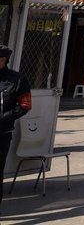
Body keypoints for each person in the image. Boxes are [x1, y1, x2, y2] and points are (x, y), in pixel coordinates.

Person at [0, 44, 32, 209]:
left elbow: (25, 105)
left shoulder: (18, 80)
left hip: (2, 133)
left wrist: (4, 118)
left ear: (3, 60)